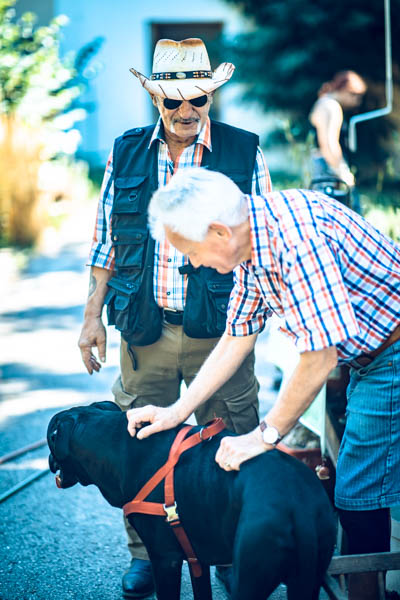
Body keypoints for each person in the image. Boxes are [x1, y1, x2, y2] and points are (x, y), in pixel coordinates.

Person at [127, 167, 400, 600]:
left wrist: (263, 435)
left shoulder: (296, 242)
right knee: (366, 484)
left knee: (357, 494)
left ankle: (370, 591)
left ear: (219, 231)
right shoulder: (253, 244)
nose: (192, 263)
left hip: (391, 354)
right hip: (370, 354)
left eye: (191, 251)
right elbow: (236, 336)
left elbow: (320, 356)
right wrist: (176, 411)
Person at [78, 38, 271, 599]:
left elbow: (262, 239)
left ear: (211, 98)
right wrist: (91, 317)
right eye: (174, 102)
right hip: (145, 328)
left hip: (222, 331)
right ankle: (146, 554)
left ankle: (228, 548)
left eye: (198, 100)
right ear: (156, 101)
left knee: (228, 440)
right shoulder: (126, 151)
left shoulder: (244, 150)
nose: (187, 112)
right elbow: (106, 241)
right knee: (138, 441)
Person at [309, 70, 367, 209]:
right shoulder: (331, 107)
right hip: (327, 168)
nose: (357, 101)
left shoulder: (323, 102)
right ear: (344, 89)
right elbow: (328, 144)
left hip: (319, 165)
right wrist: (342, 171)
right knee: (346, 210)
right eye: (355, 95)